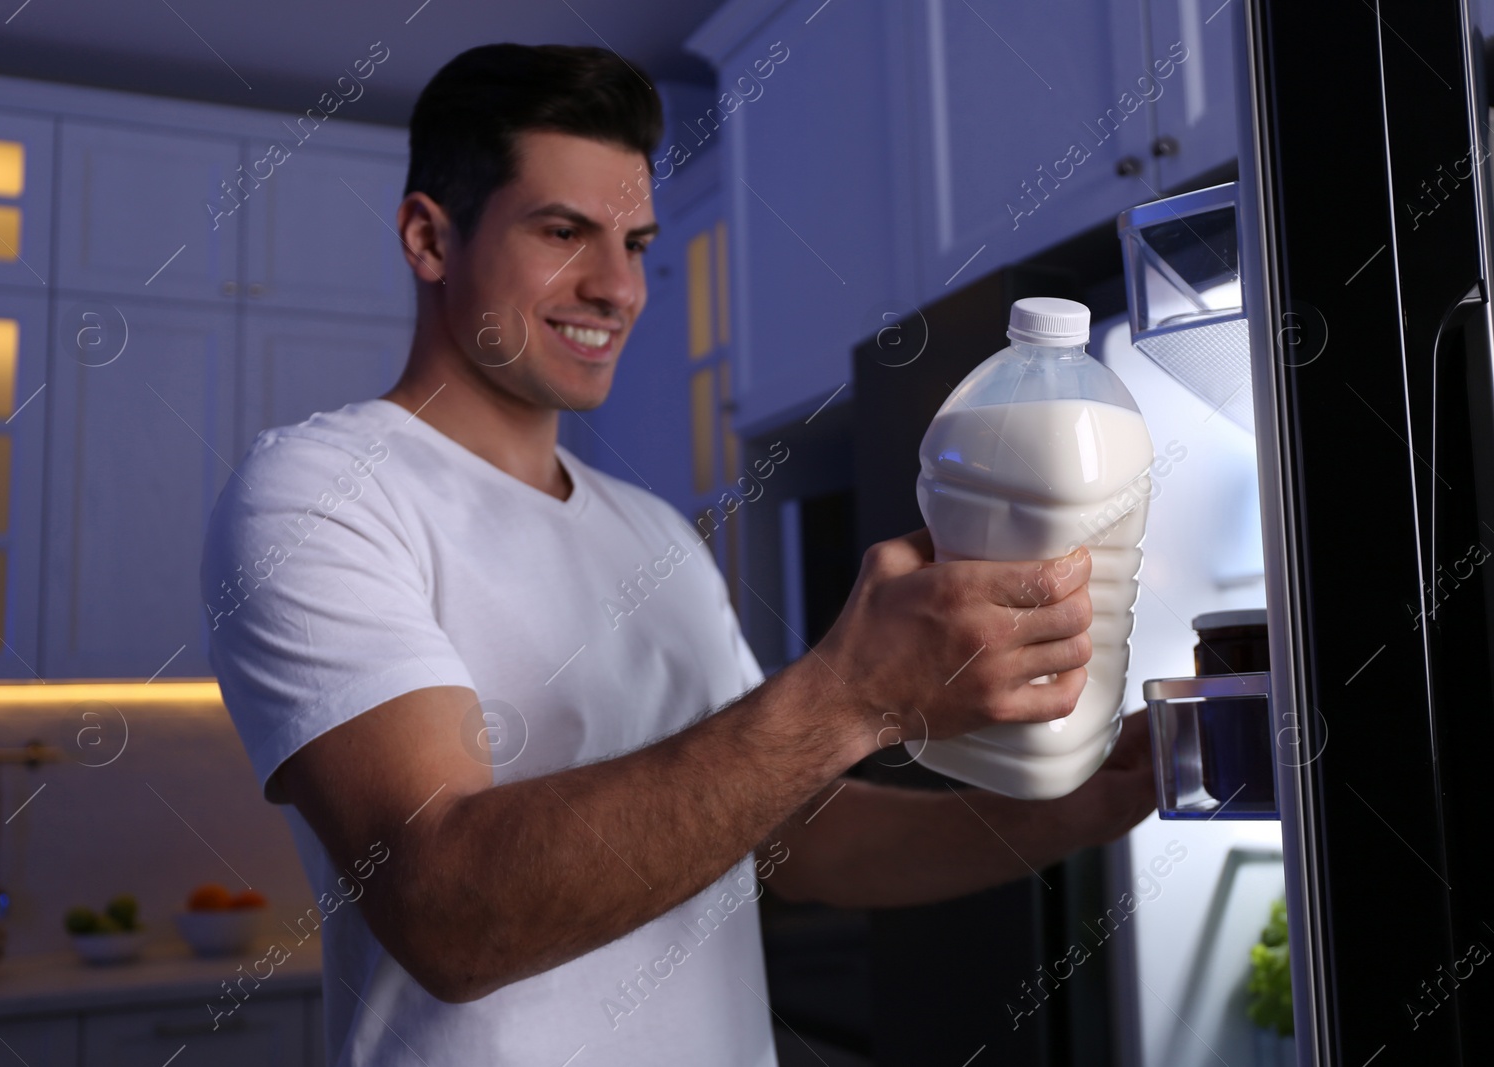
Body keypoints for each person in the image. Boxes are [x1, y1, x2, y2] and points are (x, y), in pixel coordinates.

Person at [201, 42, 1155, 1067]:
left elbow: (800, 837)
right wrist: (847, 697)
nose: (618, 286)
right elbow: (446, 911)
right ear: (430, 238)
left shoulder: (652, 531)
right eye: (564, 231)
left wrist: (1101, 797)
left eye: (636, 240)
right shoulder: (321, 493)